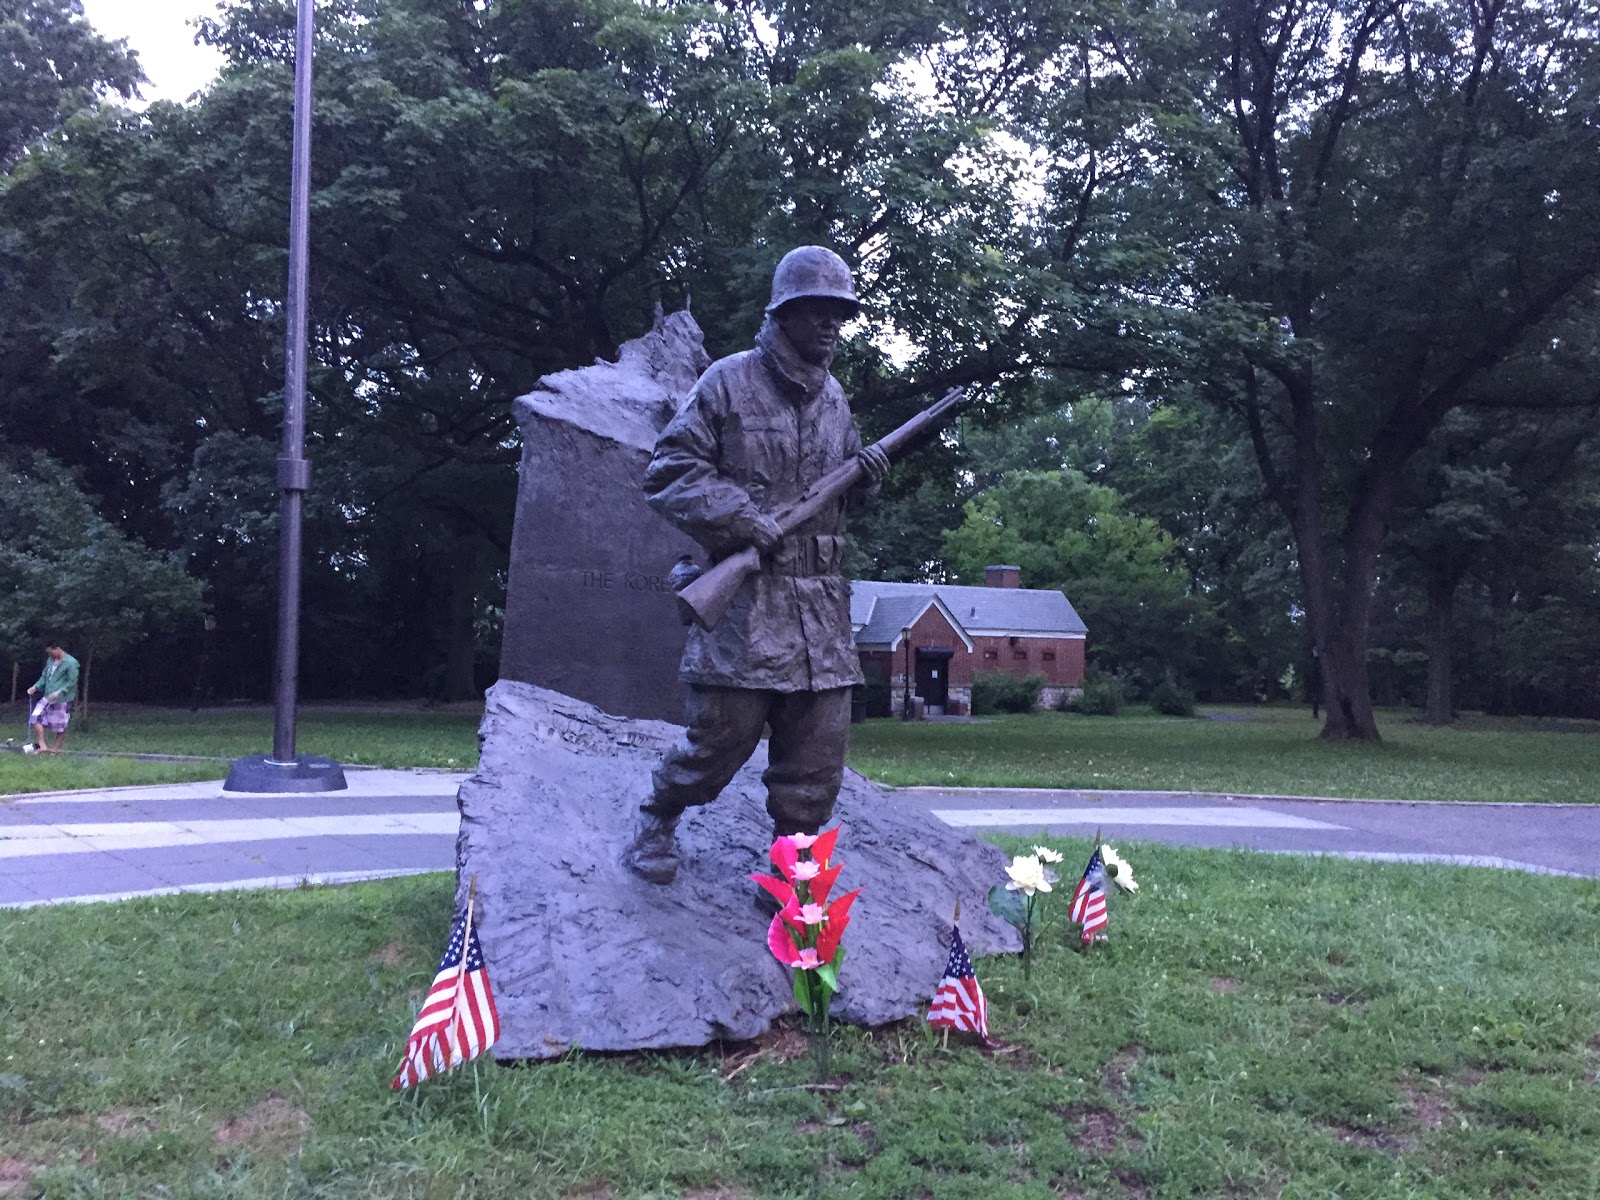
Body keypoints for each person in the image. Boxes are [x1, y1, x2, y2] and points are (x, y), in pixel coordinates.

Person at [621, 246, 890, 883]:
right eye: (817, 312)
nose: (831, 325)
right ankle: (657, 818)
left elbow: (839, 490)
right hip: (748, 605)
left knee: (816, 757)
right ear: (784, 315)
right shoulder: (727, 382)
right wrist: (742, 517)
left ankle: (793, 868)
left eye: (839, 314)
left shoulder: (836, 402)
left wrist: (867, 481)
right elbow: (670, 472)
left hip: (820, 611)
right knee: (717, 743)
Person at [26, 640, 80, 755]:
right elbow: (45, 676)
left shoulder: (71, 663)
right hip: (47, 696)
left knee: (60, 726)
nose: (50, 655)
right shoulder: (50, 660)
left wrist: (60, 691)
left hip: (62, 699)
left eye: (51, 652)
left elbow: (71, 682)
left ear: (58, 648)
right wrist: (35, 687)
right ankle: (42, 744)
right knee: (35, 717)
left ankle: (55, 750)